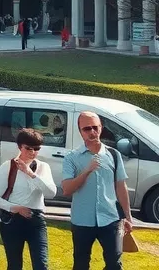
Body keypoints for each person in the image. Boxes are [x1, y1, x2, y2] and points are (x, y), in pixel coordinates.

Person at [62, 111, 133, 270]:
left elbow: (120, 186)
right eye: (87, 129)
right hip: (82, 220)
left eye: (95, 127)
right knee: (80, 264)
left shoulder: (113, 154)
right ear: (80, 131)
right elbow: (67, 189)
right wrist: (87, 171)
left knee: (114, 263)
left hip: (110, 218)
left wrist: (127, 216)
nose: (92, 132)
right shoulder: (72, 157)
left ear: (101, 128)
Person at [0, 128, 55, 270]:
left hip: (36, 219)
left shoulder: (43, 167)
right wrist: (15, 208)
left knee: (41, 265)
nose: (33, 152)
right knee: (14, 265)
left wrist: (30, 173)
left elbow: (51, 192)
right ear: (20, 147)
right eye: (28, 148)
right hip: (12, 220)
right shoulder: (8, 166)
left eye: (37, 148)